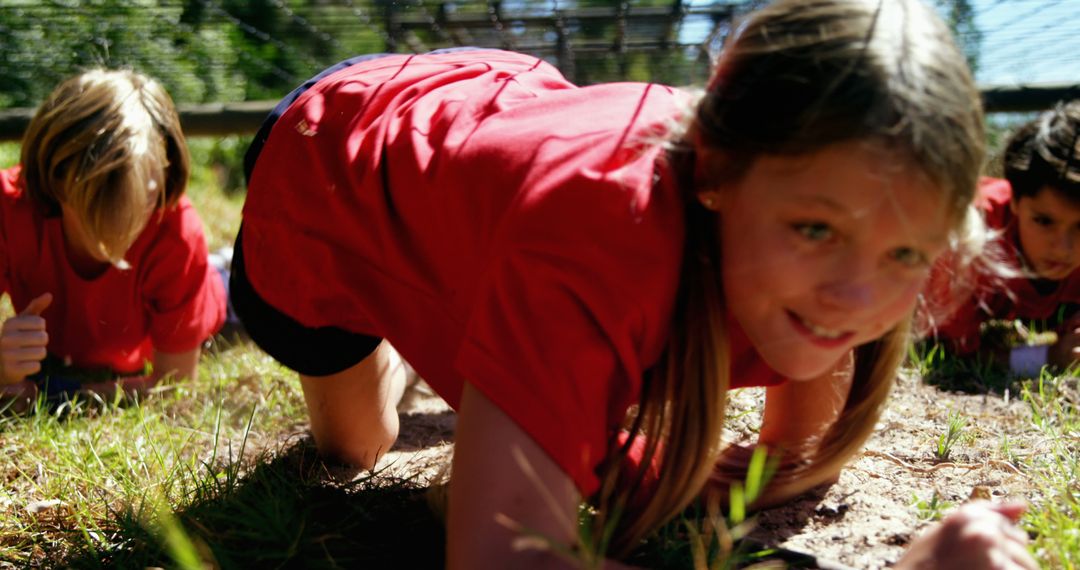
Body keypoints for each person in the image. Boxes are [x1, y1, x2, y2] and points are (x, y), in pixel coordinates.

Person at [231, 0, 1035, 567]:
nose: (854, 300)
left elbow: (792, 455)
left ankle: (475, 340)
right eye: (815, 230)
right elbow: (502, 561)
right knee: (359, 447)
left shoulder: (830, 264)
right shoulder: (597, 239)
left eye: (905, 254)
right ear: (717, 170)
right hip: (335, 152)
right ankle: (413, 338)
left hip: (495, 118)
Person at [0, 68, 227, 405]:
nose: (130, 219)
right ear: (57, 177)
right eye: (107, 200)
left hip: (211, 299)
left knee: (235, 286)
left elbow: (174, 387)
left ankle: (226, 266)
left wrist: (52, 394)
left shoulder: (175, 230)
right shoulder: (9, 209)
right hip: (77, 348)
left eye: (147, 198)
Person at [926, 101, 1080, 377]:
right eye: (1044, 221)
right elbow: (943, 351)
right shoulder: (969, 238)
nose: (1064, 248)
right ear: (1015, 202)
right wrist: (1047, 356)